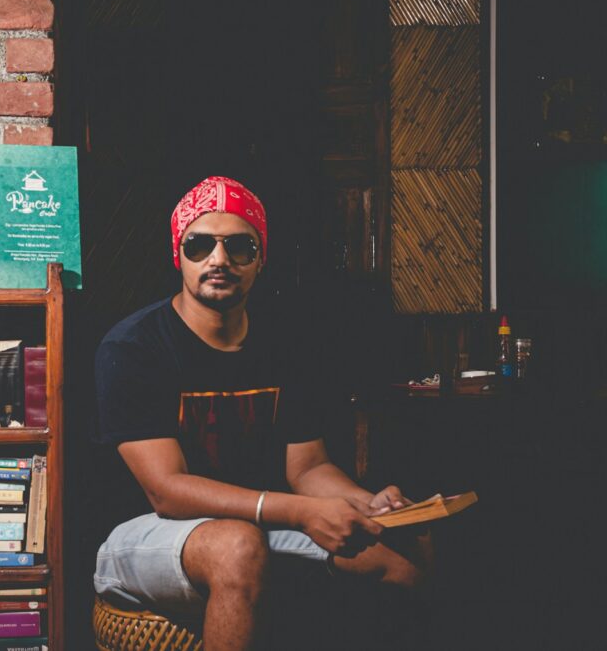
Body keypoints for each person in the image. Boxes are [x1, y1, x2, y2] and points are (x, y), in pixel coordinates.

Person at [93, 176, 433, 650]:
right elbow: (166, 492)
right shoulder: (134, 347)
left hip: (261, 525)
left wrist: (363, 504)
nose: (219, 259)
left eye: (239, 246)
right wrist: (303, 512)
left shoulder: (286, 345)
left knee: (406, 555)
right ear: (178, 255)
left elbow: (308, 467)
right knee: (237, 546)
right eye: (199, 245)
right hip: (146, 536)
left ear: (260, 259)